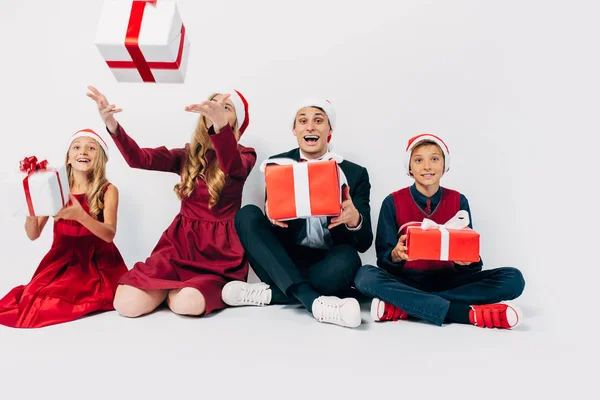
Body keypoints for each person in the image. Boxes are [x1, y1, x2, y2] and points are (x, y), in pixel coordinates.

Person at [86, 85, 256, 318]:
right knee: (126, 304)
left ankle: (182, 291)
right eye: (211, 106)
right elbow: (139, 159)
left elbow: (231, 165)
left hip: (218, 255)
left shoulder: (245, 155)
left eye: (225, 108)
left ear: (235, 122)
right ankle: (168, 288)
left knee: (187, 305)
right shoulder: (187, 155)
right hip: (179, 247)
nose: (215, 110)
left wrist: (220, 128)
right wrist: (112, 125)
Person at [222, 99, 373, 328]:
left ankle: (273, 294)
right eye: (303, 121)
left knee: (349, 259)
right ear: (295, 130)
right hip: (283, 259)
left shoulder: (355, 173)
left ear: (329, 131)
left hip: (327, 264)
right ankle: (313, 301)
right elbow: (269, 233)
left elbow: (364, 243)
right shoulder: (277, 166)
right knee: (247, 215)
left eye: (318, 121)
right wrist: (271, 217)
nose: (310, 127)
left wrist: (355, 220)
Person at [354, 134, 526, 329]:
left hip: (451, 282)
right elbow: (383, 260)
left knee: (513, 279)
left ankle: (406, 306)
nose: (427, 166)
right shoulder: (392, 202)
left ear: (445, 165)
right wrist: (396, 254)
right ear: (410, 168)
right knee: (364, 275)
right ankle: (464, 313)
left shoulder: (458, 201)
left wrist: (467, 261)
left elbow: (472, 264)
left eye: (434, 159)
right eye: (419, 160)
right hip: (407, 282)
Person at [0, 129, 128, 328]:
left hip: (97, 262)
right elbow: (33, 234)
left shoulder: (108, 190)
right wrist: (30, 209)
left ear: (101, 158)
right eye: (76, 147)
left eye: (91, 148)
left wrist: (80, 216)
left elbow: (109, 235)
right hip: (61, 260)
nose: (83, 152)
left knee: (55, 301)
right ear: (68, 158)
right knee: (32, 299)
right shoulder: (55, 188)